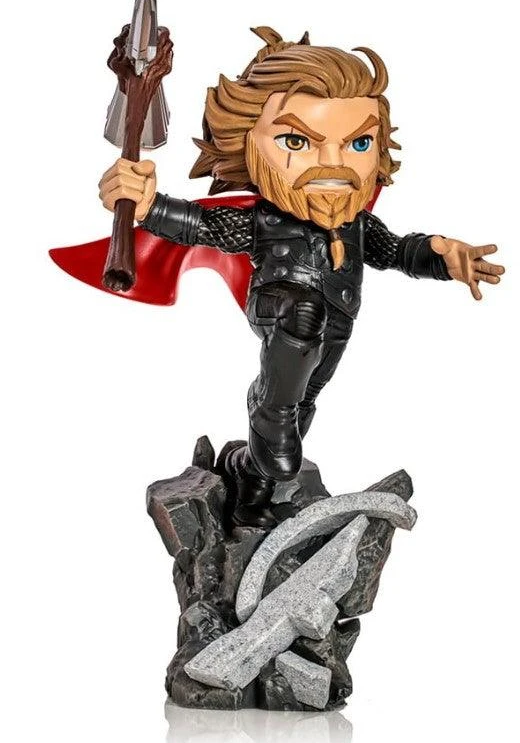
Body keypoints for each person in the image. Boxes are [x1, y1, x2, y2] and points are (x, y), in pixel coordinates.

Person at [98, 27, 504, 528]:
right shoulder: (265, 220)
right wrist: (148, 206)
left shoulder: (356, 225)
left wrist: (441, 257)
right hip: (279, 304)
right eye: (297, 141)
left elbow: (396, 250)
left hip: (339, 322)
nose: (333, 163)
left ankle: (254, 480)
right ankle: (269, 415)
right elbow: (203, 225)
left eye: (358, 142)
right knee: (300, 326)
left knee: (305, 399)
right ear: (247, 145)